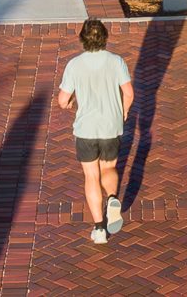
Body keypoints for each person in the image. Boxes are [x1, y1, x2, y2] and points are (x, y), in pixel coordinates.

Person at [57, 17, 134, 245]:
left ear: (82, 39)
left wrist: (70, 103)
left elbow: (62, 100)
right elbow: (129, 93)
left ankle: (99, 228)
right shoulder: (116, 62)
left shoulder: (74, 65)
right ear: (105, 38)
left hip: (86, 130)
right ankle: (112, 198)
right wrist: (123, 111)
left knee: (91, 176)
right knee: (108, 167)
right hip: (111, 126)